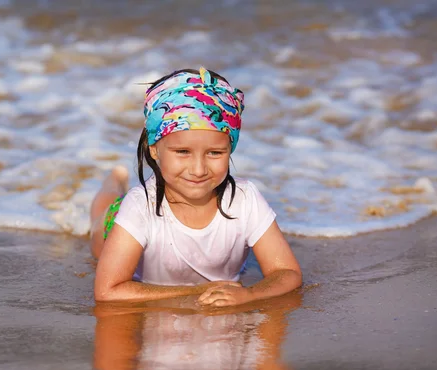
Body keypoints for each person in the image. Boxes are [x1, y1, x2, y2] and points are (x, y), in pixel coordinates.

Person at [90, 67, 302, 307]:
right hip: (119, 220)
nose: (199, 170)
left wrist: (250, 294)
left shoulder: (245, 199)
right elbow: (108, 291)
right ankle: (115, 178)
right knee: (103, 213)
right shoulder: (140, 206)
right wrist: (200, 291)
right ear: (154, 149)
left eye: (214, 153)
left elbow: (287, 272)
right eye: (183, 152)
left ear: (230, 149)